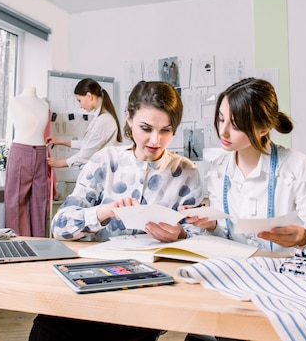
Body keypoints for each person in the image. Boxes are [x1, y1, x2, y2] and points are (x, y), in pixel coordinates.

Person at [29, 80, 204, 341]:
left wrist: (180, 235)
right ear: (129, 119)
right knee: (47, 331)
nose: (155, 140)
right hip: (91, 283)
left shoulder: (186, 172)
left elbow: (202, 236)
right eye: (146, 128)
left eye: (165, 131)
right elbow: (60, 226)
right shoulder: (105, 160)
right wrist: (103, 212)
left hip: (148, 292)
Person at [184, 77, 306, 252]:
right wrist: (211, 226)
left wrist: (303, 237)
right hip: (238, 268)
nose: (223, 132)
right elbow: (225, 239)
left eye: (235, 125)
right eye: (221, 119)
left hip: (287, 270)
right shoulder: (218, 169)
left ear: (263, 129)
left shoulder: (297, 167)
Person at [45, 78, 122, 168]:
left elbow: (87, 153)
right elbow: (87, 144)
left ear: (89, 96)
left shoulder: (104, 121)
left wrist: (61, 163)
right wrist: (60, 141)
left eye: (79, 100)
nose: (80, 106)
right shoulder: (101, 118)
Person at [4, 86, 49, 237]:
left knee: (39, 203)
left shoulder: (44, 104)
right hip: (20, 152)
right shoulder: (15, 101)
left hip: (41, 152)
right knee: (15, 203)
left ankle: (39, 244)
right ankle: (18, 245)